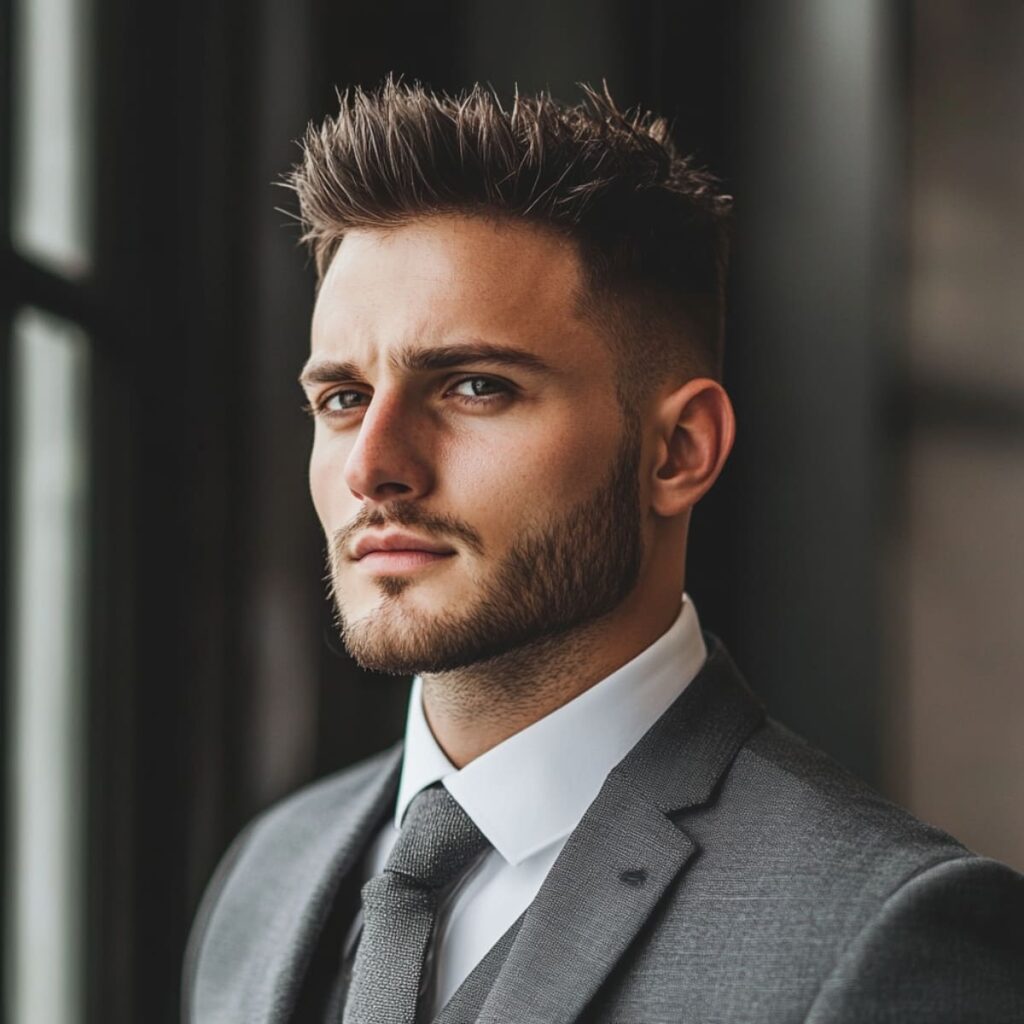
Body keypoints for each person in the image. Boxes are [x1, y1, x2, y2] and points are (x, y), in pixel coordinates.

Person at [182, 77, 1023, 1023]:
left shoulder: (886, 933)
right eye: (342, 399)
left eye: (475, 387)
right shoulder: (267, 874)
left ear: (679, 451)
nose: (372, 467)